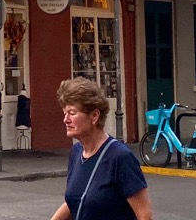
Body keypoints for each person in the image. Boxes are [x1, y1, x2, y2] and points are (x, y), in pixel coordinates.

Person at [49, 77, 152, 220]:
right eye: (64, 113)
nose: (65, 119)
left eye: (72, 113)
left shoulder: (120, 157)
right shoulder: (77, 152)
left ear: (94, 116)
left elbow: (145, 216)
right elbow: (77, 201)